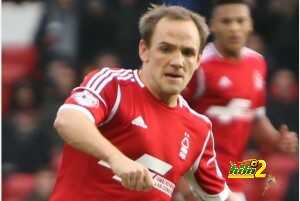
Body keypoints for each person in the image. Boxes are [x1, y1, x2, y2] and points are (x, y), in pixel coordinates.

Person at [49, 5, 231, 201]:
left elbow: (223, 194)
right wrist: (116, 158)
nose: (178, 61)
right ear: (144, 50)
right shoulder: (113, 85)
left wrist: (261, 172)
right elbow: (68, 120)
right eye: (166, 49)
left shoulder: (199, 129)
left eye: (187, 53)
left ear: (197, 62)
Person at [178, 0, 298, 201]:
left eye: (240, 21)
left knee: (270, 173)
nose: (234, 28)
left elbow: (256, 119)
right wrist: (184, 185)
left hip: (235, 172)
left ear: (250, 25)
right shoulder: (197, 65)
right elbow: (172, 120)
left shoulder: (257, 63)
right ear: (212, 26)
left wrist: (279, 140)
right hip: (198, 177)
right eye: (226, 21)